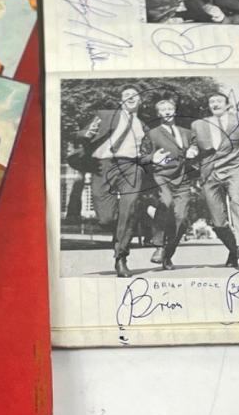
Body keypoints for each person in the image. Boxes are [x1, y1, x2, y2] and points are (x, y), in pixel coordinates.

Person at [77, 86, 154, 277]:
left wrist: (154, 158)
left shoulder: (144, 126)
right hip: (104, 165)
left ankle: (121, 257)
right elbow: (83, 133)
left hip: (131, 167)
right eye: (126, 95)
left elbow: (147, 153)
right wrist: (87, 134)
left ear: (140, 101)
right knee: (106, 219)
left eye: (134, 95)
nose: (130, 97)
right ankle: (123, 229)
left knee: (129, 208)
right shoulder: (105, 115)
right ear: (121, 101)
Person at [191, 91, 239, 271]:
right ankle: (235, 250)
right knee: (218, 221)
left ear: (227, 105)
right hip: (210, 172)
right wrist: (192, 151)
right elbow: (194, 144)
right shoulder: (198, 124)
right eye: (212, 101)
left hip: (235, 168)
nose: (215, 103)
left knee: (237, 199)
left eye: (219, 101)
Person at [140, 97, 198, 271]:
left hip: (183, 179)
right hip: (161, 177)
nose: (167, 112)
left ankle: (168, 254)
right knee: (166, 204)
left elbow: (195, 145)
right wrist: (153, 158)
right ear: (158, 114)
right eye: (163, 109)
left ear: (175, 111)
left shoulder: (186, 132)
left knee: (181, 217)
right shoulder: (152, 134)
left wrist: (193, 149)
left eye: (170, 109)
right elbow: (142, 157)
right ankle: (159, 245)